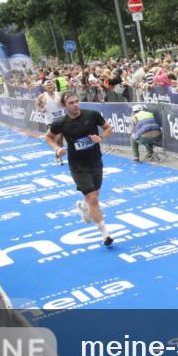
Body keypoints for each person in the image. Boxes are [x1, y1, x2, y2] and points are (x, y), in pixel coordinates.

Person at [45, 93, 114, 246]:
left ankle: (83, 206)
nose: (75, 105)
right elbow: (48, 137)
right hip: (77, 165)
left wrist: (101, 137)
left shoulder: (92, 115)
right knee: (93, 199)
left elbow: (108, 128)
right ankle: (105, 234)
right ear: (64, 106)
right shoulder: (61, 123)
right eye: (71, 103)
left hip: (95, 161)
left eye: (77, 101)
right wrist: (57, 148)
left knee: (94, 195)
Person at [36, 79, 67, 164]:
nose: (50, 86)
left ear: (54, 86)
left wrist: (65, 106)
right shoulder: (42, 96)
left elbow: (65, 103)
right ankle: (58, 156)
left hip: (61, 119)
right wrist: (41, 109)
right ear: (45, 87)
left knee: (60, 140)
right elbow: (37, 105)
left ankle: (57, 155)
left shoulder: (59, 94)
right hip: (50, 120)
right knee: (57, 137)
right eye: (48, 85)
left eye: (51, 84)